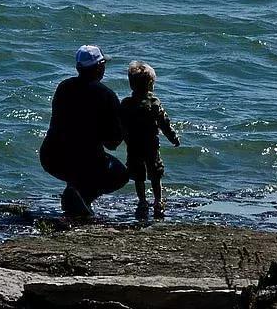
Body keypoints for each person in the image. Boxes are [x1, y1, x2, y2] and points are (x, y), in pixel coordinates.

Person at [40, 45, 129, 217]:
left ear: (78, 67)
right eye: (103, 64)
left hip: (52, 158)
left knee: (76, 156)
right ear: (99, 67)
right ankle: (83, 195)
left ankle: (75, 191)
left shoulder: (63, 87)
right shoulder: (106, 95)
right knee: (121, 174)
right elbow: (112, 143)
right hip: (84, 161)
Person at [120, 60, 180, 218]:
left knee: (138, 175)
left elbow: (120, 125)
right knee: (155, 173)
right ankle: (158, 200)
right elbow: (164, 123)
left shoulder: (126, 104)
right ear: (151, 84)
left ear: (131, 85)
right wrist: (173, 138)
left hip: (133, 146)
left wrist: (120, 139)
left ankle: (142, 201)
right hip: (151, 146)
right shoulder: (154, 103)